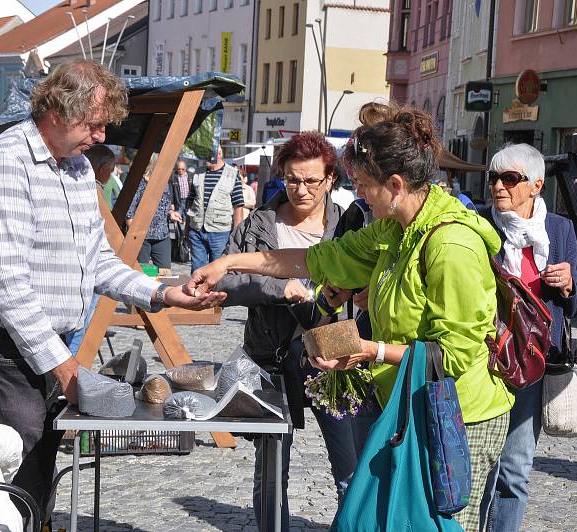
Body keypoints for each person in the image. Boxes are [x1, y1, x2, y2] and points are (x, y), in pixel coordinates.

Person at [190, 102, 514, 532]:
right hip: (408, 404)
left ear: (395, 185)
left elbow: (452, 357)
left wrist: (367, 350)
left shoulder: (451, 246)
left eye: (363, 185)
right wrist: (231, 262)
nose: (358, 195)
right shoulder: (395, 228)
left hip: (459, 416)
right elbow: (322, 258)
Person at [0, 60, 225, 521]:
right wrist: (67, 368)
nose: (100, 137)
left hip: (32, 345)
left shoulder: (74, 170)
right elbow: (8, 288)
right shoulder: (6, 162)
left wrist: (161, 294)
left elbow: (97, 262)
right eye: (94, 125)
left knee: (36, 477)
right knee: (10, 483)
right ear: (56, 111)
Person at [215, 131, 345, 530]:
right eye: (292, 179)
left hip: (333, 358)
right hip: (268, 357)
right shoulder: (258, 224)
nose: (301, 189)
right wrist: (278, 287)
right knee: (271, 468)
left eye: (311, 180)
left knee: (350, 465)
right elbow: (226, 279)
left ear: (330, 180)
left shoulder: (349, 226)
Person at [479, 143, 577, 532]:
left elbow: (573, 308)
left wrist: (569, 285)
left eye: (509, 178)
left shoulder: (559, 230)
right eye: (494, 178)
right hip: (484, 358)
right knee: (478, 465)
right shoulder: (478, 224)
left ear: (536, 185)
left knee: (515, 469)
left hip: (532, 363)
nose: (498, 187)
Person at [65, 143, 120, 355]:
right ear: (102, 168)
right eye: (112, 168)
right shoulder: (93, 190)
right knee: (81, 325)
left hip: (85, 263)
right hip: (89, 264)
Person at [185, 146, 245, 271]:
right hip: (196, 229)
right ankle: (197, 291)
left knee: (217, 270)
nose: (204, 158)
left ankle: (214, 291)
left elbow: (238, 206)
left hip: (220, 232)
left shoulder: (233, 174)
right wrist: (187, 227)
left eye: (207, 155)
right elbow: (190, 202)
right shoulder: (197, 172)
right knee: (197, 270)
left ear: (218, 154)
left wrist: (236, 234)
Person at [126, 152, 177, 270]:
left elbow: (165, 205)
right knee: (141, 273)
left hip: (162, 235)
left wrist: (170, 213)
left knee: (165, 272)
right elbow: (129, 211)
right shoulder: (139, 182)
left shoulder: (164, 181)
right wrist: (134, 234)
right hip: (142, 236)